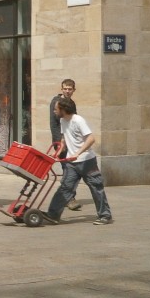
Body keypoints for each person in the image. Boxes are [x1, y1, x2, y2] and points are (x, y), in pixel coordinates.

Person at [44, 96, 113, 226]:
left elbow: (91, 139)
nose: (54, 111)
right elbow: (64, 138)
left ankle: (105, 215)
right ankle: (53, 215)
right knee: (65, 187)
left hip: (87, 161)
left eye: (56, 109)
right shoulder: (63, 121)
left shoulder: (78, 120)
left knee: (96, 187)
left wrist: (78, 153)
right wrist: (59, 150)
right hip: (71, 162)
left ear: (63, 109)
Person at [49, 78, 82, 210]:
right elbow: (54, 124)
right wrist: (60, 143)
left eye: (70, 89)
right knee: (68, 170)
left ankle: (67, 197)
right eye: (65, 88)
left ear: (74, 90)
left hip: (72, 142)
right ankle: (69, 198)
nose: (68, 91)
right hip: (62, 142)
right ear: (61, 89)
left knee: (71, 170)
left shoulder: (71, 103)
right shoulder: (56, 102)